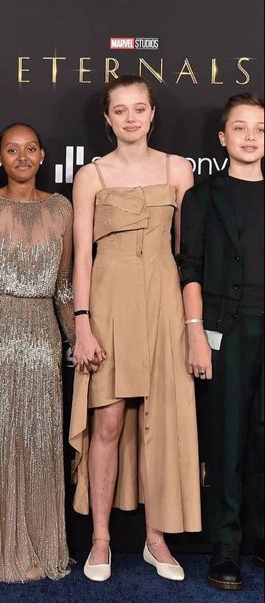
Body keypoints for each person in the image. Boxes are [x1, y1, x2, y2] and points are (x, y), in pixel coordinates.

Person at [69, 74, 201, 582]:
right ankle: (101, 539)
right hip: (109, 304)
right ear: (107, 118)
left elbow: (188, 256)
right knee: (108, 422)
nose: (130, 118)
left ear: (152, 114)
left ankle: (155, 539)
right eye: (120, 110)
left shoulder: (178, 169)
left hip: (164, 304)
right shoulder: (91, 176)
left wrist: (192, 324)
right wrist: (83, 323)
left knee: (159, 423)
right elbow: (82, 259)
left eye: (139, 108)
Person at [0, 123, 74, 582]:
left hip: (42, 339)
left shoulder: (61, 208)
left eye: (30, 149)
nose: (22, 157)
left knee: (38, 444)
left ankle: (36, 547)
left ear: (43, 155)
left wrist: (78, 338)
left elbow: (64, 287)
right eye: (12, 149)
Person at [179, 92, 264, 590]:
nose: (251, 137)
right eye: (240, 128)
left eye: (260, 129)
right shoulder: (203, 197)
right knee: (227, 438)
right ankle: (226, 546)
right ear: (222, 137)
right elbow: (189, 267)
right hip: (225, 329)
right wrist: (195, 332)